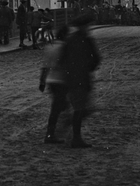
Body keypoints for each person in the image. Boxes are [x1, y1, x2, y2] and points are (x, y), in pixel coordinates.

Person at [60, 11, 100, 149]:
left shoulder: (69, 40)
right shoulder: (87, 40)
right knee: (81, 109)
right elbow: (96, 59)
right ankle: (76, 137)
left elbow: (62, 59)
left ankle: (70, 126)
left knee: (80, 107)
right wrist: (87, 67)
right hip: (82, 77)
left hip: (69, 78)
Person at [39, 25, 69, 144]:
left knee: (58, 107)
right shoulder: (65, 47)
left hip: (51, 80)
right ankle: (51, 134)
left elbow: (45, 66)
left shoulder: (50, 47)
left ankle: (52, 133)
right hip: (62, 80)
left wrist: (42, 81)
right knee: (59, 108)